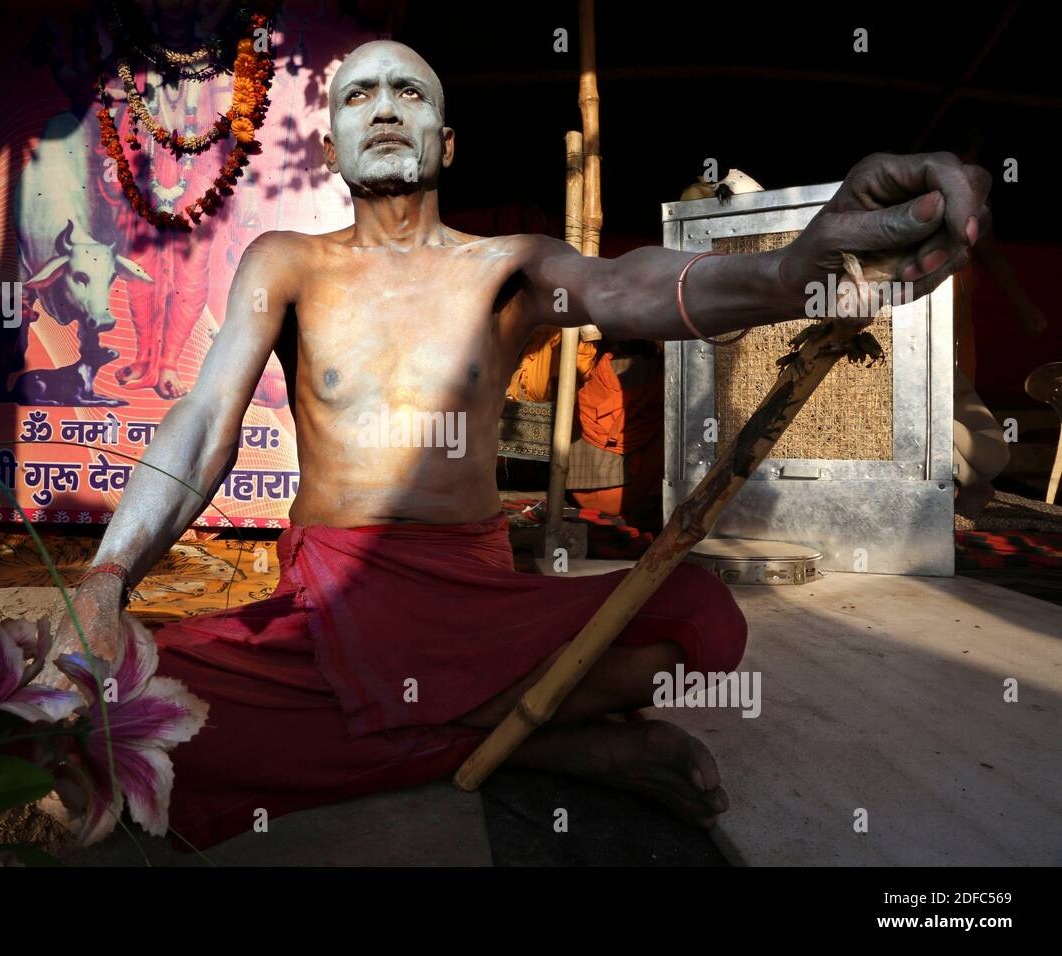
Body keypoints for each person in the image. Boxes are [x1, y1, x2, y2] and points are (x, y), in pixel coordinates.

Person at [53, 40, 991, 849]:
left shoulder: (508, 267)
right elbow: (208, 417)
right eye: (359, 97)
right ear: (330, 145)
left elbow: (625, 287)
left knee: (705, 618)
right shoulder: (287, 262)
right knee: (109, 709)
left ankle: (440, 726)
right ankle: (543, 740)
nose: (384, 110)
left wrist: (790, 272)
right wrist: (108, 578)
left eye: (409, 94)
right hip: (334, 602)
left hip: (473, 599)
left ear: (446, 142)